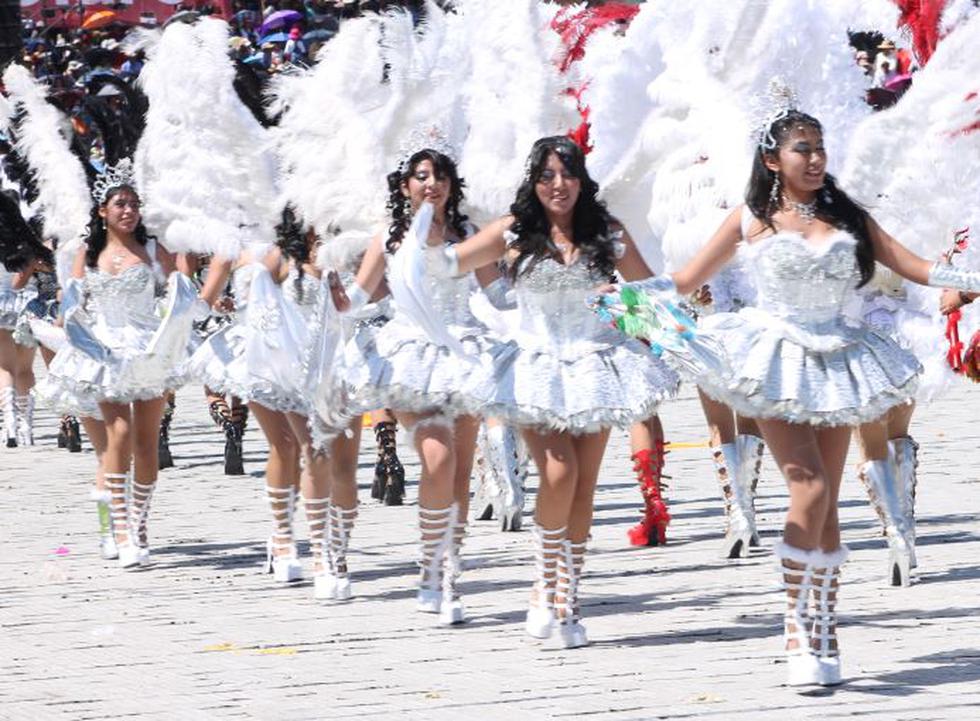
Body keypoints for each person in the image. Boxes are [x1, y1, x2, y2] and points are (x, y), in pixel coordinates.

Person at [634, 108, 980, 686]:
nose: (815, 159)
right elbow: (685, 280)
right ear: (772, 160)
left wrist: (972, 279)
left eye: (819, 147)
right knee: (810, 487)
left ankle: (825, 627)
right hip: (773, 361)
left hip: (838, 362)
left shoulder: (846, 215)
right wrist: (626, 294)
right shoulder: (750, 217)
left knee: (827, 506)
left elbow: (918, 268)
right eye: (802, 149)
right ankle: (796, 621)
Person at [421, 136, 680, 646]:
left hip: (597, 367)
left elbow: (652, 295)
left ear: (581, 179)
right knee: (559, 471)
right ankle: (544, 582)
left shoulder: (607, 232)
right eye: (546, 176)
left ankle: (568, 596)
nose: (558, 185)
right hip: (536, 370)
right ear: (533, 183)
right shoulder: (514, 230)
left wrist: (623, 299)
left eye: (567, 174)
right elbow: (448, 263)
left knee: (583, 485)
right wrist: (424, 229)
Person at [340, 148, 502, 625]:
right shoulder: (390, 238)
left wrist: (556, 288)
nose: (432, 183)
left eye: (441, 175)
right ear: (405, 185)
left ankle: (447, 572)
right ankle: (430, 566)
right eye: (422, 176)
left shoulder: (468, 234)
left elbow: (498, 293)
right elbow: (357, 295)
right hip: (409, 357)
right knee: (439, 456)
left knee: (460, 471)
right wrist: (332, 296)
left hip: (464, 353)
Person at [37, 163, 195, 570]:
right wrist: (68, 336)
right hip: (103, 354)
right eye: (121, 204)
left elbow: (183, 291)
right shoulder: (87, 253)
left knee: (146, 443)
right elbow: (72, 307)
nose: (129, 211)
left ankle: (138, 525)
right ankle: (117, 527)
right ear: (103, 211)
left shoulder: (154, 250)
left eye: (134, 204)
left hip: (147, 352)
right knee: (117, 436)